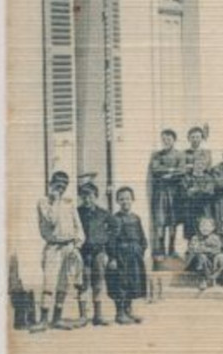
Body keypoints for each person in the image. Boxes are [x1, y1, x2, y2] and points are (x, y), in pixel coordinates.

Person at [33, 170, 85, 332]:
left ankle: (57, 318)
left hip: (69, 247)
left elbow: (78, 226)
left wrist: (77, 245)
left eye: (64, 185)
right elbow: (51, 221)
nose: (61, 188)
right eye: (57, 184)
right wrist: (54, 201)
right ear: (51, 184)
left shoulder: (69, 203)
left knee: (64, 284)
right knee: (49, 283)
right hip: (53, 247)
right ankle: (43, 320)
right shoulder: (43, 202)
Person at [74, 180, 114, 327]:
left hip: (98, 253)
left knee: (98, 283)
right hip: (82, 253)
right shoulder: (76, 213)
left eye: (90, 196)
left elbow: (115, 227)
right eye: (84, 196)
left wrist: (105, 239)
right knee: (82, 284)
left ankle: (98, 315)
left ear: (96, 196)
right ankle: (83, 316)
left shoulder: (103, 213)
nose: (87, 199)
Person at [107, 186, 148, 325]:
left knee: (133, 282)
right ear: (117, 201)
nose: (125, 201)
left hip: (135, 255)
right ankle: (120, 313)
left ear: (133, 200)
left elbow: (142, 238)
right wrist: (112, 257)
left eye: (128, 198)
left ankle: (128, 311)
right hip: (121, 255)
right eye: (122, 199)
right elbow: (111, 240)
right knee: (121, 282)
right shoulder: (115, 218)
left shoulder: (136, 218)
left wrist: (140, 250)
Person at [146, 129, 184, 260]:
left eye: (169, 139)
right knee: (161, 221)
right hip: (161, 193)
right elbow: (156, 170)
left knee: (173, 221)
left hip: (174, 193)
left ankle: (172, 249)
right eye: (164, 139)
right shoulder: (157, 155)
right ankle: (160, 250)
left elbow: (182, 171)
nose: (166, 141)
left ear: (174, 140)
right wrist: (172, 171)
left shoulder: (180, 155)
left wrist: (169, 173)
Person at [185, 216, 223, 291]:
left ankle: (214, 277)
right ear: (199, 227)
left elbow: (217, 249)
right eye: (202, 226)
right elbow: (192, 249)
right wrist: (205, 250)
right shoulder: (195, 238)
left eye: (207, 226)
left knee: (221, 257)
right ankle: (203, 279)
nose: (204, 228)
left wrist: (204, 249)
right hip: (197, 263)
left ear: (213, 228)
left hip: (211, 261)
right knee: (202, 257)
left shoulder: (215, 238)